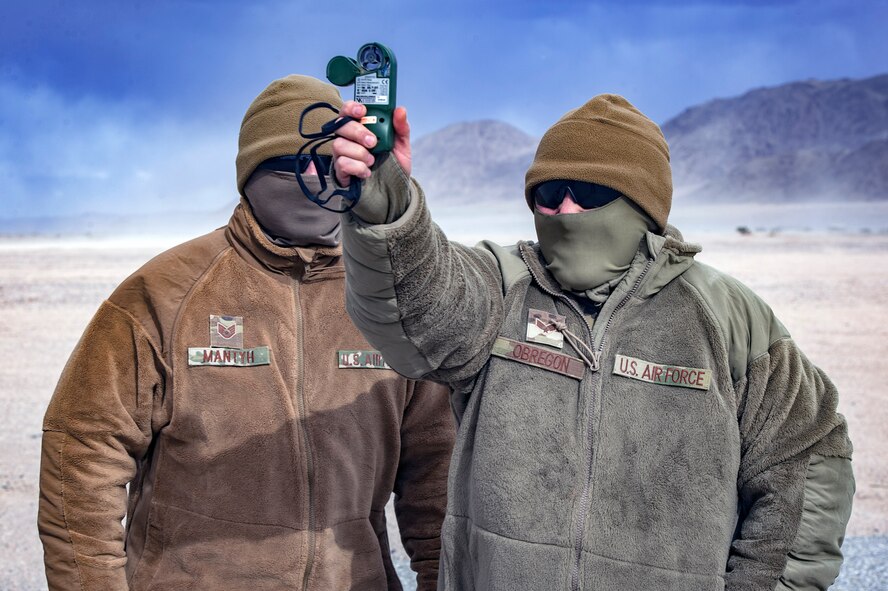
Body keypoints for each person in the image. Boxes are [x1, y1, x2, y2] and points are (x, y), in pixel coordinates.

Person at [330, 95, 855, 590]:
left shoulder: (726, 316)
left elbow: (807, 458)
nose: (565, 210)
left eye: (590, 193)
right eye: (548, 194)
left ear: (642, 204)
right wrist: (387, 206)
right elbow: (418, 312)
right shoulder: (504, 284)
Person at [38, 75, 455, 591]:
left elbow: (437, 471)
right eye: (287, 165)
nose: (310, 178)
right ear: (250, 174)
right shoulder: (166, 293)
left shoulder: (390, 298)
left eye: (327, 165)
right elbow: (82, 453)